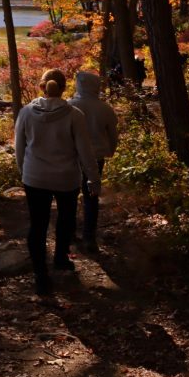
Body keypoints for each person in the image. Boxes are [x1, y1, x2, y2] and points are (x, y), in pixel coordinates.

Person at [15, 69, 100, 296]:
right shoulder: (74, 115)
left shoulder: (26, 113)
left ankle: (40, 275)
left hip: (35, 176)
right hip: (66, 178)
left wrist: (25, 171)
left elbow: (19, 147)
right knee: (65, 219)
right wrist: (93, 177)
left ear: (42, 87)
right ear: (64, 88)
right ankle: (61, 258)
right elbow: (85, 151)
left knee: (38, 225)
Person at [68, 71, 118, 254]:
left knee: (71, 195)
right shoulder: (104, 108)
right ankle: (89, 237)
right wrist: (110, 151)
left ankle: (70, 233)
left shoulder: (70, 106)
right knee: (91, 196)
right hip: (96, 157)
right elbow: (113, 135)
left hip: (73, 157)